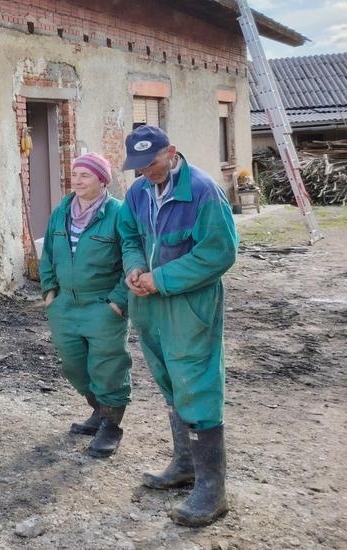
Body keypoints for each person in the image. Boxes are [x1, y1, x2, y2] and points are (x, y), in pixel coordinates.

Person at [117, 125, 237, 527]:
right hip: (148, 304)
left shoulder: (203, 192)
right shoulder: (137, 192)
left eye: (151, 163)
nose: (144, 172)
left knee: (196, 382)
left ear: (172, 152)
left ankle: (212, 490)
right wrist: (134, 267)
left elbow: (219, 253)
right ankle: (184, 464)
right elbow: (128, 234)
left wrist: (161, 279)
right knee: (169, 379)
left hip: (189, 302)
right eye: (137, 165)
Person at [38, 152, 132, 458]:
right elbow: (48, 254)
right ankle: (98, 412)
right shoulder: (61, 211)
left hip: (101, 304)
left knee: (107, 366)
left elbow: (131, 258)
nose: (76, 181)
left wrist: (118, 302)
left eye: (85, 175)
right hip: (65, 305)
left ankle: (111, 426)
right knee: (74, 366)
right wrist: (50, 291)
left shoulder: (118, 213)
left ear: (102, 180)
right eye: (75, 174)